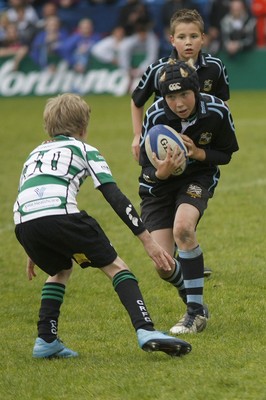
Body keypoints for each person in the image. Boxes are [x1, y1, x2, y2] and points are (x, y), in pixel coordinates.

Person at [13, 93, 192, 359]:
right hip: (61, 216)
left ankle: (46, 339)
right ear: (84, 127)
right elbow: (115, 197)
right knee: (117, 267)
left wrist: (33, 246)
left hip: (24, 223)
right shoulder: (85, 149)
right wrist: (147, 241)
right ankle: (146, 329)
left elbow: (31, 195)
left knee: (61, 269)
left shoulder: (34, 153)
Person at [138, 59, 239, 334]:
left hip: (197, 177)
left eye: (184, 94)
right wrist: (161, 172)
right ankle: (195, 300)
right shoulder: (155, 115)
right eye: (171, 96)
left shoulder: (216, 111)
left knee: (183, 228)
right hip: (160, 186)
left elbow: (226, 153)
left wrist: (197, 154)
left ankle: (194, 314)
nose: (179, 103)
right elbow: (145, 167)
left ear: (196, 90)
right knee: (163, 264)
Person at [131, 9, 230, 162]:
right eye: (181, 37)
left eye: (194, 36)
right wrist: (138, 135)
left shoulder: (215, 67)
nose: (188, 42)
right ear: (172, 40)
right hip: (166, 140)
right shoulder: (158, 70)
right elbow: (137, 101)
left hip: (200, 141)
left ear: (203, 38)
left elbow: (223, 103)